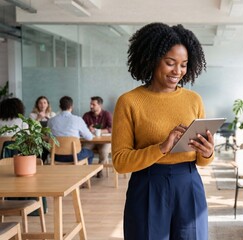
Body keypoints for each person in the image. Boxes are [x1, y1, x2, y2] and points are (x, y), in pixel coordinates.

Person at [112, 22, 214, 240]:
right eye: (170, 63)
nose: (177, 71)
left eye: (184, 64)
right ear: (152, 59)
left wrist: (207, 153)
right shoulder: (129, 102)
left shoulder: (194, 100)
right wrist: (161, 148)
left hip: (189, 183)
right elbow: (120, 162)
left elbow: (201, 160)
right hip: (147, 184)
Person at [48, 96, 94, 164]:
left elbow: (49, 136)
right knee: (90, 153)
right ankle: (84, 174)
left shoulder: (51, 121)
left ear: (60, 106)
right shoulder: (78, 120)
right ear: (72, 106)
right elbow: (89, 137)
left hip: (56, 155)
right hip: (74, 155)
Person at [82, 96, 112, 178]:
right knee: (84, 150)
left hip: (105, 141)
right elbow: (82, 129)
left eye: (93, 104)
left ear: (100, 105)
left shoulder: (107, 114)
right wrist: (88, 129)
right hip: (90, 140)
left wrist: (99, 131)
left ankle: (99, 170)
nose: (91, 106)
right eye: (90, 104)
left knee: (103, 152)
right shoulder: (86, 115)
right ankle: (87, 172)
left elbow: (112, 128)